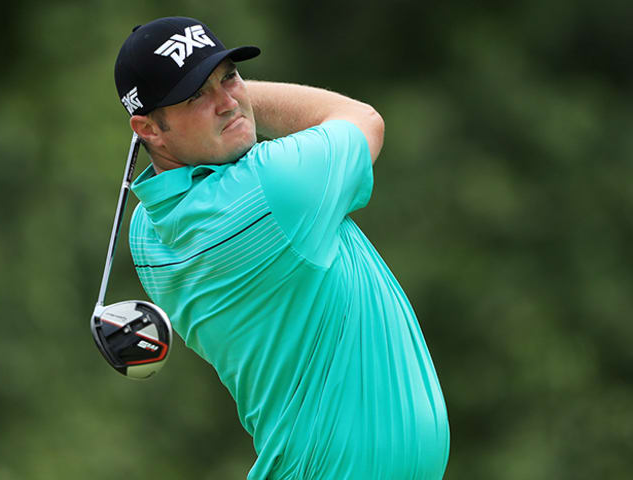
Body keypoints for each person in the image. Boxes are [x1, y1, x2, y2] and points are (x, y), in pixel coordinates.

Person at [113, 16, 449, 480]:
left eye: (229, 76)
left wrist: (209, 100)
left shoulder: (145, 236)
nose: (226, 101)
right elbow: (363, 119)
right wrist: (240, 98)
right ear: (148, 129)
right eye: (196, 95)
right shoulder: (272, 190)